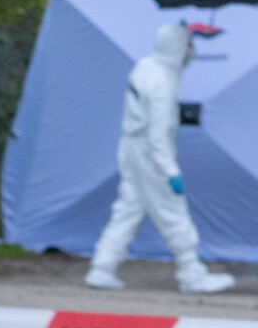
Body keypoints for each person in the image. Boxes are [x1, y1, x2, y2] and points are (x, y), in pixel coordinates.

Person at [88, 19, 236, 293]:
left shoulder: (145, 67)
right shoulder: (163, 82)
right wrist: (170, 172)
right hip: (150, 153)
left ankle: (102, 266)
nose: (191, 51)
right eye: (188, 44)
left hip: (131, 147)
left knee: (128, 208)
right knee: (173, 210)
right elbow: (159, 134)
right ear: (178, 47)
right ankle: (191, 272)